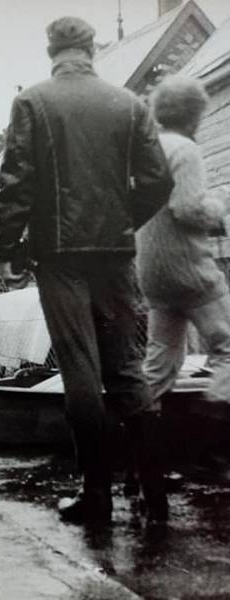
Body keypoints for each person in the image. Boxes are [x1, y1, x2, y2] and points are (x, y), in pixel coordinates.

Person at [0, 17, 174, 524]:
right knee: (127, 369)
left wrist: (8, 246)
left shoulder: (33, 102)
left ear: (51, 50)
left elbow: (16, 183)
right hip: (115, 255)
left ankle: (96, 497)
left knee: (81, 374)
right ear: (92, 48)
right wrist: (120, 223)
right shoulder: (130, 104)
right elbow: (158, 181)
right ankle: (156, 501)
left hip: (60, 256)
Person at [136, 76, 230, 471]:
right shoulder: (185, 150)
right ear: (195, 114)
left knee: (159, 363)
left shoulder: (144, 150)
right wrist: (220, 204)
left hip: (152, 270)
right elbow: (188, 208)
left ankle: (141, 452)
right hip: (188, 268)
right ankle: (215, 438)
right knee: (226, 347)